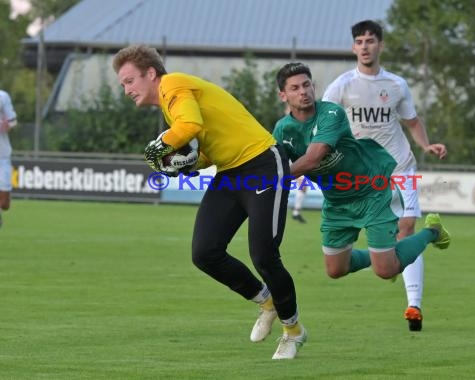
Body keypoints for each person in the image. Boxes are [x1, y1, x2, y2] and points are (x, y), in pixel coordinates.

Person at [112, 45, 306, 360]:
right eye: (123, 84)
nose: (126, 90)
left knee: (264, 255)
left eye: (129, 81)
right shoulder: (169, 103)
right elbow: (202, 150)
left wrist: (158, 147)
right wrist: (184, 165)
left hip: (262, 163)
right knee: (204, 252)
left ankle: (293, 331)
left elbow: (189, 128)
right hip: (231, 171)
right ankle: (267, 301)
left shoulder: (172, 83)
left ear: (150, 74)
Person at [273, 62, 451, 315]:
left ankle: (432, 231)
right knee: (336, 270)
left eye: (306, 85)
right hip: (336, 201)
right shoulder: (282, 129)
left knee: (385, 270)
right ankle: (383, 253)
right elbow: (274, 160)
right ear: (284, 95)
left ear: (313, 87)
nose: (303, 91)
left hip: (372, 191)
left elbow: (313, 158)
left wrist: (275, 180)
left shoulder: (331, 113)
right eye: (294, 88)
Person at [322, 20, 447, 331]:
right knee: (376, 263)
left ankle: (413, 305)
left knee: (406, 227)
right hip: (362, 175)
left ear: (380, 46)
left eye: (371, 41)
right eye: (360, 41)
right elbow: (322, 124)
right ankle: (395, 256)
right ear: (353, 48)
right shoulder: (341, 86)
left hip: (399, 166)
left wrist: (426, 144)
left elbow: (412, 121)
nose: (365, 46)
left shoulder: (396, 85)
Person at [0, 89, 18, 229]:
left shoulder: (3, 96)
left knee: (5, 204)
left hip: (2, 157)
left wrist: (7, 125)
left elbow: (13, 121)